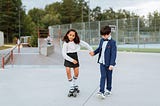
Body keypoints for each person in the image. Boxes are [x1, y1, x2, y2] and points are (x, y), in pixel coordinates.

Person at [62, 29, 93, 95]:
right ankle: (71, 86)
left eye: (73, 35)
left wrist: (91, 50)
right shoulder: (65, 43)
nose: (71, 37)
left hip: (74, 56)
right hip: (68, 57)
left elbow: (85, 45)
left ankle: (74, 83)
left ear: (75, 36)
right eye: (70, 35)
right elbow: (64, 54)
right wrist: (72, 60)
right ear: (67, 35)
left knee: (76, 73)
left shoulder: (77, 41)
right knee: (68, 71)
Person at [89, 26, 117, 99]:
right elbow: (99, 49)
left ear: (109, 34)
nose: (103, 37)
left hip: (109, 64)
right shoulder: (102, 40)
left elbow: (113, 54)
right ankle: (101, 91)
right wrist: (94, 53)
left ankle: (108, 89)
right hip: (102, 62)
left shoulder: (113, 43)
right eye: (102, 35)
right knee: (103, 76)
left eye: (105, 35)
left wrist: (112, 64)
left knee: (109, 77)